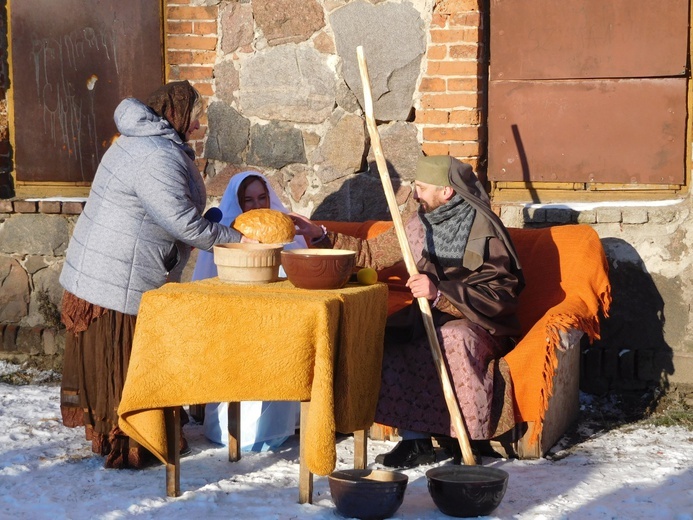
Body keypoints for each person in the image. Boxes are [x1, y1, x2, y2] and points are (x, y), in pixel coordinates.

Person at [291, 155, 525, 468]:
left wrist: (441, 293)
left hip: (478, 322)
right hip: (429, 316)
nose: (414, 194)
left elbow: (499, 294)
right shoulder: (420, 221)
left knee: (453, 339)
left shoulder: (484, 230)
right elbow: (373, 254)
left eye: (421, 188)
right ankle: (415, 441)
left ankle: (462, 441)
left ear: (447, 192)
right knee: (391, 338)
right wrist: (320, 234)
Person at [59, 80, 242, 469]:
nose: (197, 126)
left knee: (124, 361)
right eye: (194, 118)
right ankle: (133, 441)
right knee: (127, 361)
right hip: (117, 273)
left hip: (111, 266)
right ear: (175, 115)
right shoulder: (154, 154)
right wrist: (237, 239)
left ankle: (126, 433)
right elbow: (180, 222)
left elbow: (170, 212)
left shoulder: (144, 142)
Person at [191, 171, 303, 451]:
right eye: (248, 200)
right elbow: (208, 283)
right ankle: (233, 429)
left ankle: (277, 426)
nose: (256, 206)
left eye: (262, 197)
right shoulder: (223, 236)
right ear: (238, 202)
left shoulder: (284, 228)